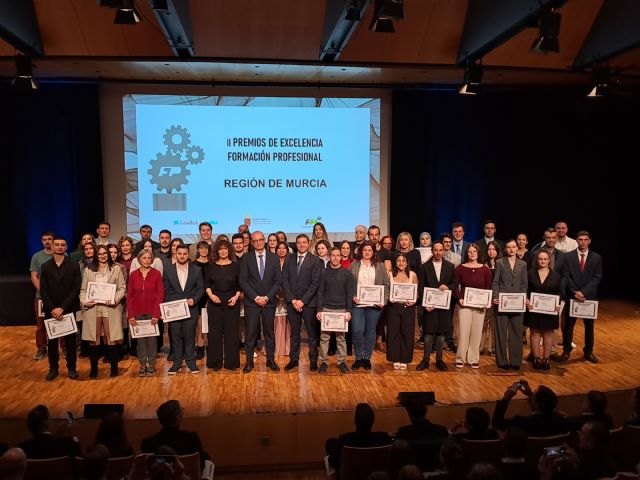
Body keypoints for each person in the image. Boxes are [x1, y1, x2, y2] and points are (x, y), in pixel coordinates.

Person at [80, 244, 126, 378]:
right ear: (95, 255)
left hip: (110, 307)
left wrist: (115, 300)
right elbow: (83, 290)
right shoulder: (88, 270)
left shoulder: (116, 269)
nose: (103, 256)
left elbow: (122, 288)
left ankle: (114, 367)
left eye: (105, 253)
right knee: (94, 339)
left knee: (111, 338)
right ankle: (94, 368)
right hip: (93, 307)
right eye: (99, 254)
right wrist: (84, 302)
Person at [239, 231, 282, 373]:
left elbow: (277, 282)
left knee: (269, 333)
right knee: (250, 333)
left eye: (260, 240)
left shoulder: (274, 258)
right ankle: (249, 362)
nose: (258, 242)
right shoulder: (246, 258)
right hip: (252, 303)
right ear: (251, 242)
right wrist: (256, 298)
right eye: (255, 240)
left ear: (264, 240)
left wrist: (267, 297)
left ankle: (270, 360)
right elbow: (243, 281)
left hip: (269, 303)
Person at [39, 236, 82, 381]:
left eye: (62, 245)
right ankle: (53, 368)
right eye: (57, 244)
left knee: (70, 342)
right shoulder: (45, 267)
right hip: (51, 310)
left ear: (66, 247)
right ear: (51, 246)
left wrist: (62, 308)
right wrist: (53, 308)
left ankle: (72, 368)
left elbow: (76, 289)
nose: (59, 247)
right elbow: (43, 290)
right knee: (52, 341)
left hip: (68, 309)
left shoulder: (73, 265)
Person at [560, 231, 603, 363]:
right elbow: (566, 276)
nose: (583, 242)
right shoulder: (568, 257)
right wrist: (575, 292)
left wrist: (584, 292)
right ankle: (566, 351)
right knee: (568, 326)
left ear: (589, 241)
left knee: (589, 327)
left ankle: (588, 352)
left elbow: (597, 277)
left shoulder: (596, 257)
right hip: (572, 296)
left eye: (585, 239)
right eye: (580, 239)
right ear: (577, 241)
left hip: (588, 297)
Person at [282, 234, 323, 371]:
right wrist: (293, 300)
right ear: (296, 244)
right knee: (294, 334)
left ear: (308, 243)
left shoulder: (316, 260)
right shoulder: (289, 259)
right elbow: (285, 280)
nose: (301, 245)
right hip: (292, 302)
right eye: (298, 243)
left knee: (312, 334)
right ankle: (294, 359)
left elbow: (315, 284)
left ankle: (313, 360)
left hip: (309, 304)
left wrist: (302, 301)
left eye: (304, 242)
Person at [164, 245, 204, 374]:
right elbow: (166, 290)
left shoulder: (196, 270)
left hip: (191, 308)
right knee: (175, 337)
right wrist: (175, 303)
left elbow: (200, 289)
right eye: (179, 253)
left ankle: (191, 363)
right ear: (175, 254)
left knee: (189, 336)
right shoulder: (168, 269)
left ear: (188, 255)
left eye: (184, 254)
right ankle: (176, 363)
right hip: (174, 309)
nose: (182, 256)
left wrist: (194, 299)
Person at [350, 241, 390, 370]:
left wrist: (383, 300)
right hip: (357, 304)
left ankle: (367, 358)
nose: (367, 252)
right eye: (365, 250)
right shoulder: (354, 265)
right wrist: (352, 296)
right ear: (361, 251)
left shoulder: (380, 266)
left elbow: (386, 284)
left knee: (370, 331)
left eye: (369, 250)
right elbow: (348, 284)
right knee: (357, 330)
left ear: (373, 252)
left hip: (374, 305)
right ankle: (358, 357)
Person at [417, 240, 456, 372]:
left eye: (440, 250)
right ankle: (425, 360)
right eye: (435, 250)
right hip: (430, 306)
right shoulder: (424, 267)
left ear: (443, 251)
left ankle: (439, 360)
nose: (438, 252)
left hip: (444, 306)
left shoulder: (450, 266)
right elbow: (421, 287)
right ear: (432, 251)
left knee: (441, 334)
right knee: (428, 333)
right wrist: (425, 304)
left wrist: (448, 287)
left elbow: (454, 284)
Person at [204, 239, 241, 371]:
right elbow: (207, 285)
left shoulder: (236, 266)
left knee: (232, 333)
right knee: (215, 334)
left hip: (232, 302)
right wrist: (211, 296)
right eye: (221, 249)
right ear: (217, 251)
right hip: (215, 302)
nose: (223, 251)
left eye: (226, 248)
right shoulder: (211, 266)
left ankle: (231, 363)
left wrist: (236, 297)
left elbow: (239, 285)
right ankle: (215, 362)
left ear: (229, 250)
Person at [491, 239, 528, 370]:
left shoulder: (523, 264)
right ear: (505, 249)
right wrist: (495, 296)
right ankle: (502, 361)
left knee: (516, 332)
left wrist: (523, 298)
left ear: (517, 248)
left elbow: (524, 284)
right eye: (509, 247)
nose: (511, 249)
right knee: (501, 332)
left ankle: (516, 361)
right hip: (502, 302)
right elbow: (495, 282)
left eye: (514, 247)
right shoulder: (499, 263)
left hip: (517, 304)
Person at [140, 400, 209, 470]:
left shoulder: (147, 443)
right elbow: (201, 464)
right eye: (181, 409)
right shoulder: (191, 438)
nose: (183, 410)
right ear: (177, 418)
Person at [524, 249, 564, 370]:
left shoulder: (556, 276)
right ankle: (536, 358)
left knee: (548, 333)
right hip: (534, 309)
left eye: (545, 259)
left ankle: (546, 359)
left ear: (549, 260)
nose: (543, 261)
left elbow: (560, 293)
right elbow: (525, 290)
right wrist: (526, 300)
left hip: (550, 310)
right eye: (540, 259)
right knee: (535, 332)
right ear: (537, 260)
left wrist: (559, 305)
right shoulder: (530, 273)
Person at [317, 247, 354, 374]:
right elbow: (320, 292)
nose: (336, 258)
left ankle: (342, 361)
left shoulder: (347, 274)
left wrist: (348, 311)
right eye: (333, 255)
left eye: (338, 255)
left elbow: (349, 294)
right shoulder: (323, 273)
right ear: (329, 256)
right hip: (326, 309)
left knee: (341, 338)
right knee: (324, 337)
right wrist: (319, 310)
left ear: (341, 257)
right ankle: (323, 362)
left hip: (341, 310)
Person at [455, 244, 492, 369]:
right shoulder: (460, 268)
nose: (472, 253)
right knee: (463, 331)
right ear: (467, 254)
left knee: (476, 333)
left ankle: (473, 358)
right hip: (464, 305)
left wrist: (486, 302)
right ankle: (460, 357)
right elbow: (456, 286)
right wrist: (460, 298)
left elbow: (488, 287)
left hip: (479, 306)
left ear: (478, 253)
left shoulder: (485, 270)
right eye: (469, 252)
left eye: (474, 251)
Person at [325, 403, 393, 473]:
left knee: (330, 442)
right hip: (374, 475)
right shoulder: (384, 438)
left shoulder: (345, 439)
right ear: (373, 420)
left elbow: (332, 462)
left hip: (350, 476)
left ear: (355, 421)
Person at [127, 249, 164, 376]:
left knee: (152, 342)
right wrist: (131, 315)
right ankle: (143, 365)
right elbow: (130, 296)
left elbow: (160, 295)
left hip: (152, 313)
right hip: (137, 313)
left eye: (149, 258)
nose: (147, 260)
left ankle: (152, 365)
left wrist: (156, 314)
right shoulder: (133, 275)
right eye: (144, 258)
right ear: (139, 259)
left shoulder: (157, 274)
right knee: (140, 342)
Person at [491, 380, 569, 436]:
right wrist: (530, 394)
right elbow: (539, 406)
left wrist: (506, 398)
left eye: (534, 393)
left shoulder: (520, 422)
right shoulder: (560, 419)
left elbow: (497, 424)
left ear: (537, 404)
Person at [386, 253, 418, 370]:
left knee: (407, 333)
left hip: (408, 308)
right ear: (395, 262)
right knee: (393, 333)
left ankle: (404, 359)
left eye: (403, 261)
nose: (401, 263)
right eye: (398, 261)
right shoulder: (389, 274)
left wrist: (413, 301)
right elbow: (386, 290)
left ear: (407, 262)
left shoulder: (412, 275)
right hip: (393, 307)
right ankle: (395, 358)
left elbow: (416, 292)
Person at [29, 231, 54, 361]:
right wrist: (43, 291)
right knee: (41, 324)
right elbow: (34, 276)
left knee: (61, 321)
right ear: (41, 241)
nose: (47, 241)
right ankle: (41, 348)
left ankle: (64, 347)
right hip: (41, 297)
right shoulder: (36, 256)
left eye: (49, 239)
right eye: (45, 239)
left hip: (58, 297)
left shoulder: (61, 255)